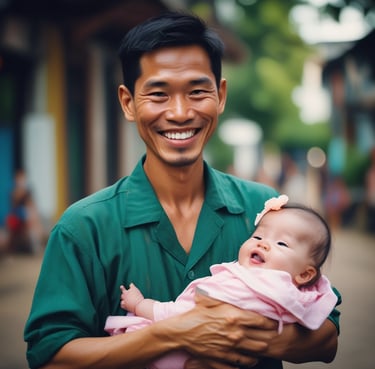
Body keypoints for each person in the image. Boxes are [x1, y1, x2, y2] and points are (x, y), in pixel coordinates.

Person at [24, 11, 341, 369]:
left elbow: (327, 336)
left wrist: (235, 335)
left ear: (220, 96)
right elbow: (50, 356)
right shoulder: (84, 228)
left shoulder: (264, 210)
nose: (179, 113)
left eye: (197, 91)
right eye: (158, 94)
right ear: (128, 102)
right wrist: (174, 334)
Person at [105, 195, 338, 369]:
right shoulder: (296, 293)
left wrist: (141, 305)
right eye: (257, 236)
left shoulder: (244, 288)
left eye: (282, 244)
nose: (263, 244)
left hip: (177, 354)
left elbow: (183, 318)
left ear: (306, 275)